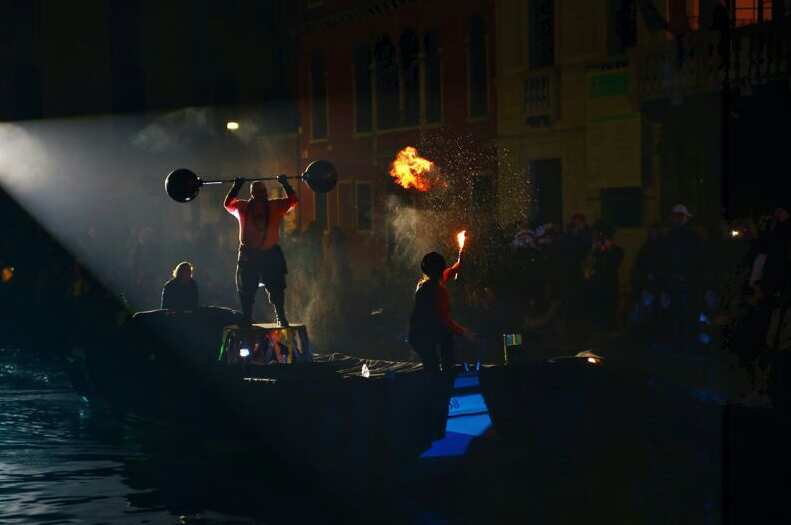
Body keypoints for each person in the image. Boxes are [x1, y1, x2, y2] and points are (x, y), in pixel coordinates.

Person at [224, 176, 298, 326]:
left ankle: (281, 316)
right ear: (252, 194)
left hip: (270, 253)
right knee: (246, 288)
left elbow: (293, 201)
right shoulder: (243, 207)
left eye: (263, 191)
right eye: (258, 192)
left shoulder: (274, 206)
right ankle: (247, 318)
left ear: (266, 193)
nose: (261, 194)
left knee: (276, 287)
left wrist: (285, 183)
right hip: (249, 254)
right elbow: (228, 204)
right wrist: (236, 187)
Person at [408, 251, 473, 376]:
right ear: (440, 269)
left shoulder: (424, 283)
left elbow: (447, 274)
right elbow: (445, 320)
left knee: (433, 365)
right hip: (423, 336)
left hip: (419, 334)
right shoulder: (437, 290)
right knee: (434, 368)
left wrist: (459, 261)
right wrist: (464, 332)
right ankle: (443, 382)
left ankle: (440, 379)